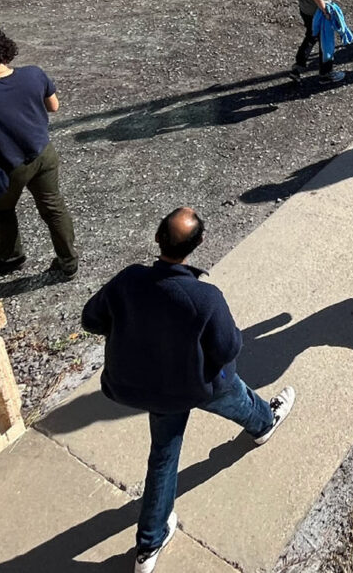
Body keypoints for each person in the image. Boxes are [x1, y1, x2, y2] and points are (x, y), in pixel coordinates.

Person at [81, 208, 296, 573]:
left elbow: (91, 319)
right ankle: (263, 424)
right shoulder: (204, 297)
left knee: (163, 456)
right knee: (235, 394)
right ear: (199, 245)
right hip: (195, 386)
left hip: (148, 388)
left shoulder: (128, 280)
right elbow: (228, 349)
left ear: (157, 238)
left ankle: (149, 545)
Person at [0, 28, 77, 278]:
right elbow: (54, 106)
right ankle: (69, 262)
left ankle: (10, 256)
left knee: (2, 210)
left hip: (8, 166)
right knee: (53, 206)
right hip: (43, 154)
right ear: (7, 51)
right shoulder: (34, 74)